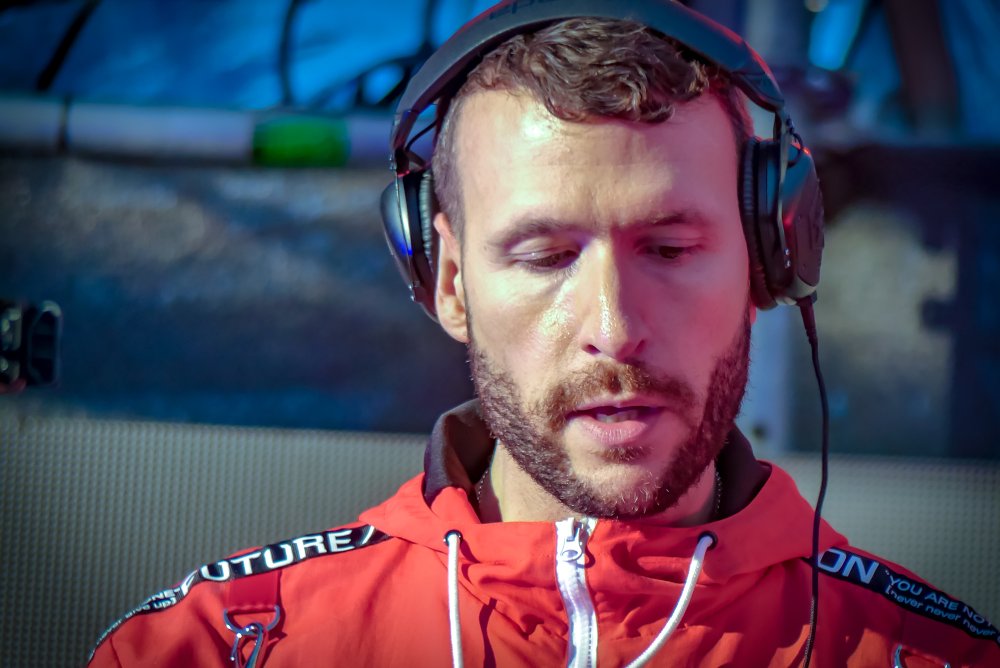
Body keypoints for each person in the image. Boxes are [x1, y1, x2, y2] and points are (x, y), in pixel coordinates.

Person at [89, 1, 999, 666]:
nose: (615, 330)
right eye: (545, 256)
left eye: (671, 249)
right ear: (449, 282)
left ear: (769, 258)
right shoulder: (214, 647)